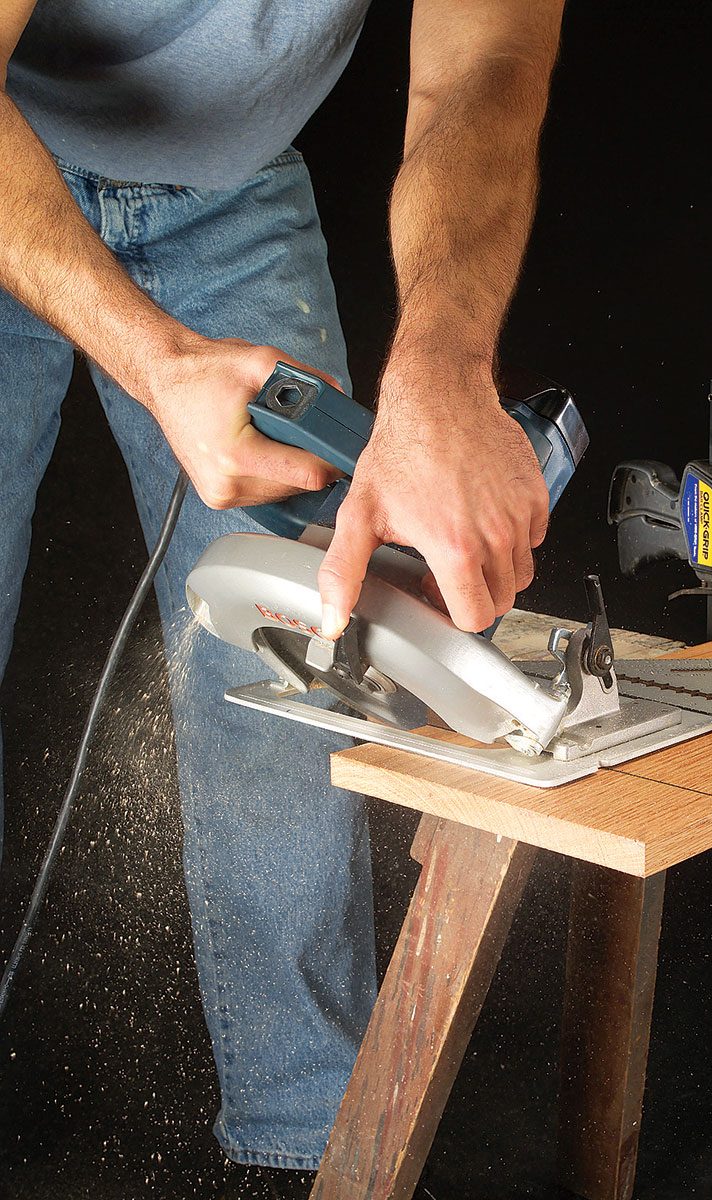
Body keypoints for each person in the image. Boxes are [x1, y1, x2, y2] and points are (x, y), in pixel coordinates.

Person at [0, 0, 565, 1191]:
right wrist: (155, 361)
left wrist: (446, 371)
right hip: (12, 149)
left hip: (229, 177)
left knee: (290, 656)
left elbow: (488, 63)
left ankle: (313, 1142)